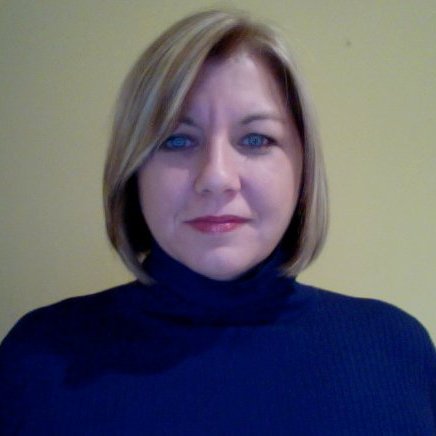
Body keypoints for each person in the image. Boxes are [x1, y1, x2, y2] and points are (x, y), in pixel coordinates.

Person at [0, 9, 434, 435]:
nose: (216, 177)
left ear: (302, 170)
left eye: (256, 139)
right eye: (176, 140)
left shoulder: (397, 350)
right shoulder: (37, 360)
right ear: (133, 172)